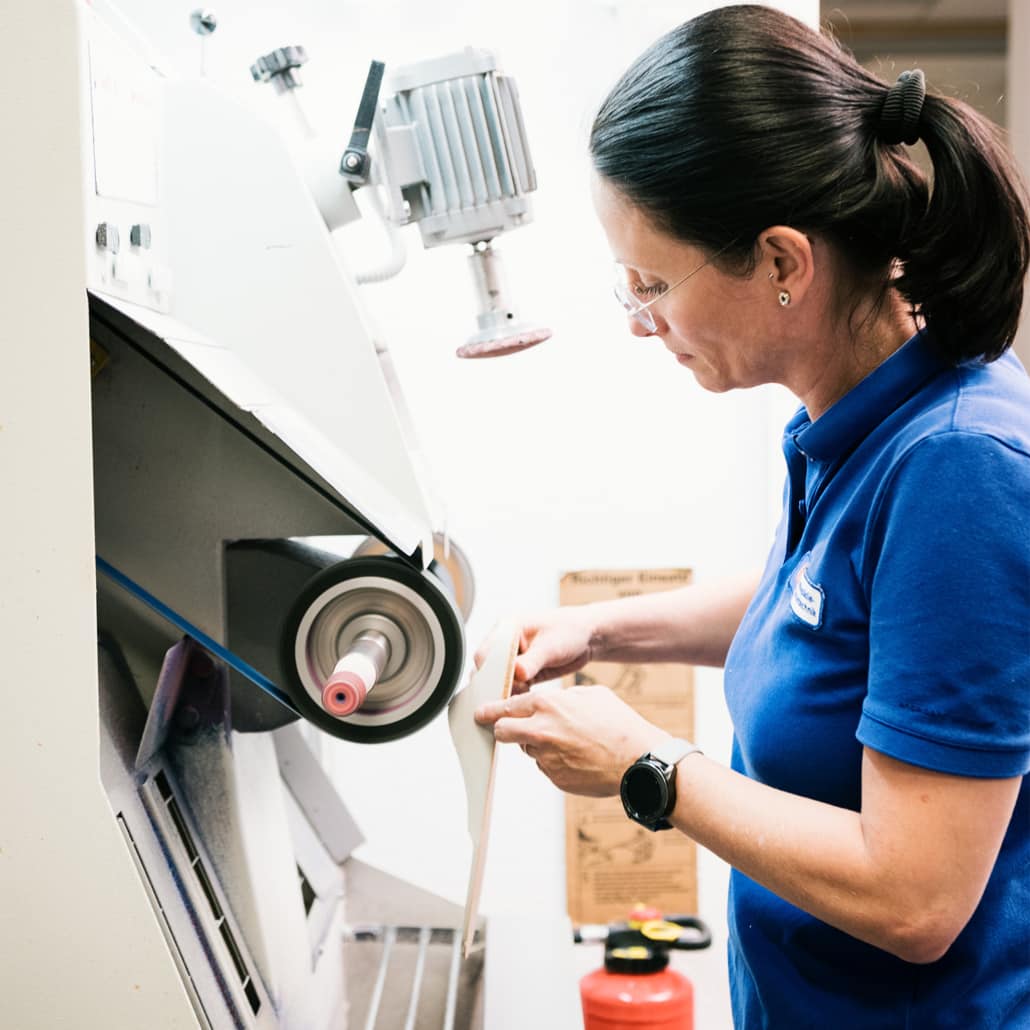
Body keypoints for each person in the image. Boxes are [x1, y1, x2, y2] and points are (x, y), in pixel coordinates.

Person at [472, 6, 1030, 1028]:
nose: (639, 320)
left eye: (650, 282)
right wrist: (603, 628)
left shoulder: (958, 465)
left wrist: (646, 767)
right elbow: (819, 615)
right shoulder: (856, 415)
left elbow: (916, 898)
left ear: (781, 262)